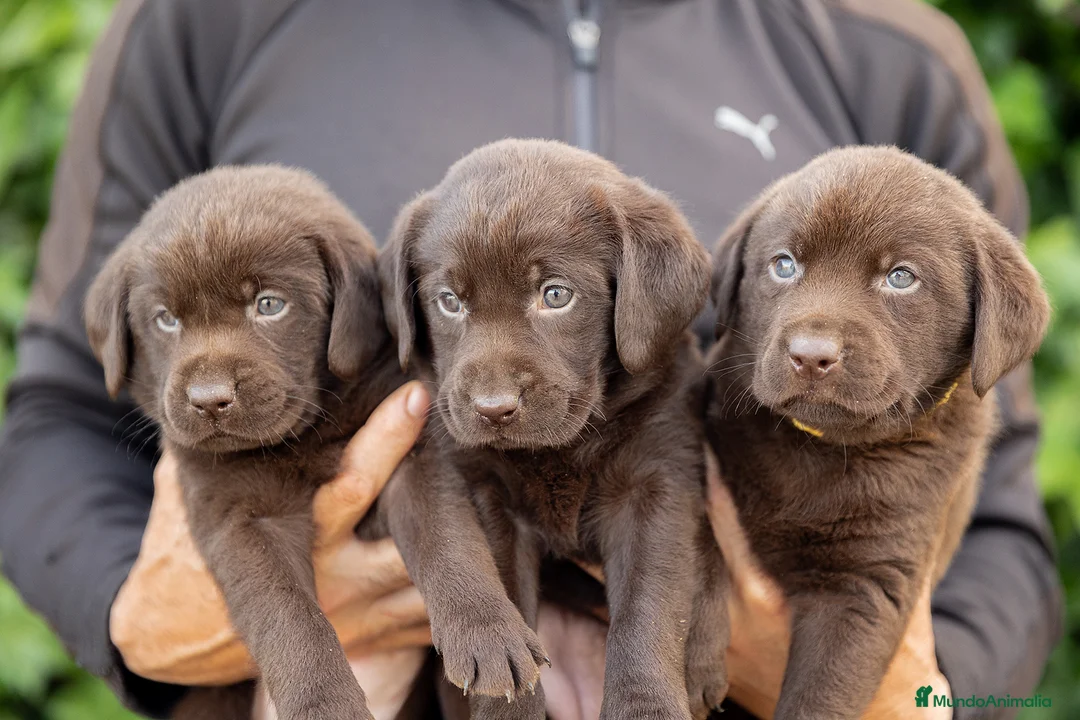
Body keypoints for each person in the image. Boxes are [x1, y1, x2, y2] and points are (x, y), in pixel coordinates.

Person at [0, 0, 1062, 718]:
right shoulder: (202, 18)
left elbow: (1004, 521)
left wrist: (925, 699)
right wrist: (134, 618)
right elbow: (55, 410)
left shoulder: (891, 49)